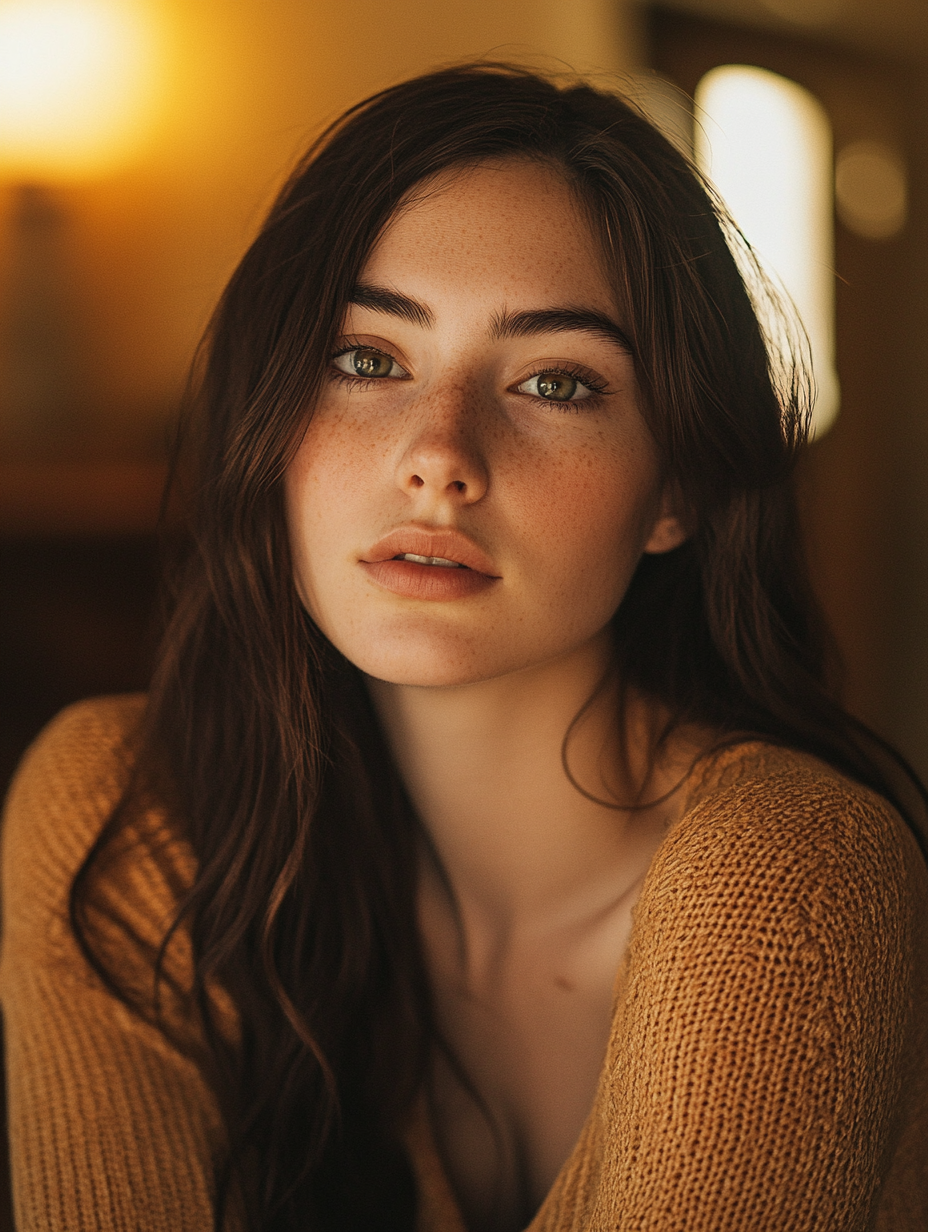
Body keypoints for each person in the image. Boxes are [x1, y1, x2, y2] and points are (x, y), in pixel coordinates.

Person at [1, 63, 926, 1232]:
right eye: (368, 359)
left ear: (674, 489)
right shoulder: (120, 813)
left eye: (553, 381)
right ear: (268, 418)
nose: (439, 455)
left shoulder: (790, 876)